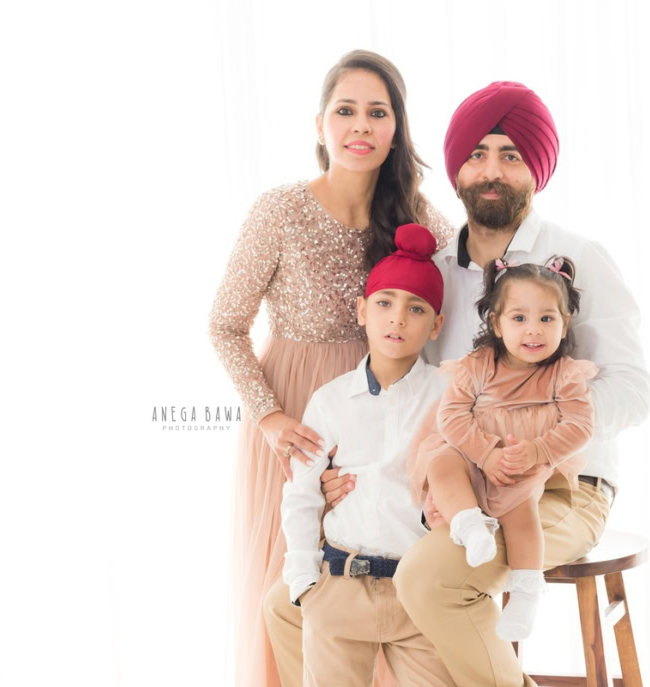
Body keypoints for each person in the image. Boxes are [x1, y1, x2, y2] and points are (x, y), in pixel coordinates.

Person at [388, 81, 650, 686]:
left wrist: (535, 440)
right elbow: (415, 392)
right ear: (456, 170)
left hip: (564, 486)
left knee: (428, 580)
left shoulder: (578, 256)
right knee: (339, 584)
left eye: (511, 155)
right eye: (478, 154)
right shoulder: (433, 274)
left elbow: (633, 389)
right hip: (458, 481)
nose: (492, 171)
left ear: (536, 170)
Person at [208, 50, 453, 687]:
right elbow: (225, 325)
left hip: (387, 417)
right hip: (295, 419)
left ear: (397, 128)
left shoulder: (419, 219)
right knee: (296, 590)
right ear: (320, 125)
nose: (360, 125)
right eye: (345, 110)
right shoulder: (280, 211)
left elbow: (462, 313)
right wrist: (269, 418)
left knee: (381, 579)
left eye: (377, 112)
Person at [280, 223, 455, 687]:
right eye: (384, 303)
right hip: (341, 586)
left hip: (419, 593)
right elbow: (301, 493)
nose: (397, 319)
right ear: (362, 310)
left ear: (436, 325)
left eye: (415, 308)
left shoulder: (448, 395)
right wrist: (303, 581)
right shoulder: (330, 401)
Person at [410, 255, 597, 642]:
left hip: (519, 466)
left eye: (547, 318)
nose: (534, 329)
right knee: (440, 464)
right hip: (469, 454)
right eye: (519, 318)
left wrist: (536, 452)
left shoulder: (564, 374)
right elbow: (451, 417)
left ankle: (525, 595)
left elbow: (580, 425)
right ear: (496, 323)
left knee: (523, 516)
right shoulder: (478, 364)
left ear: (564, 324)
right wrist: (485, 454)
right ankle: (469, 526)